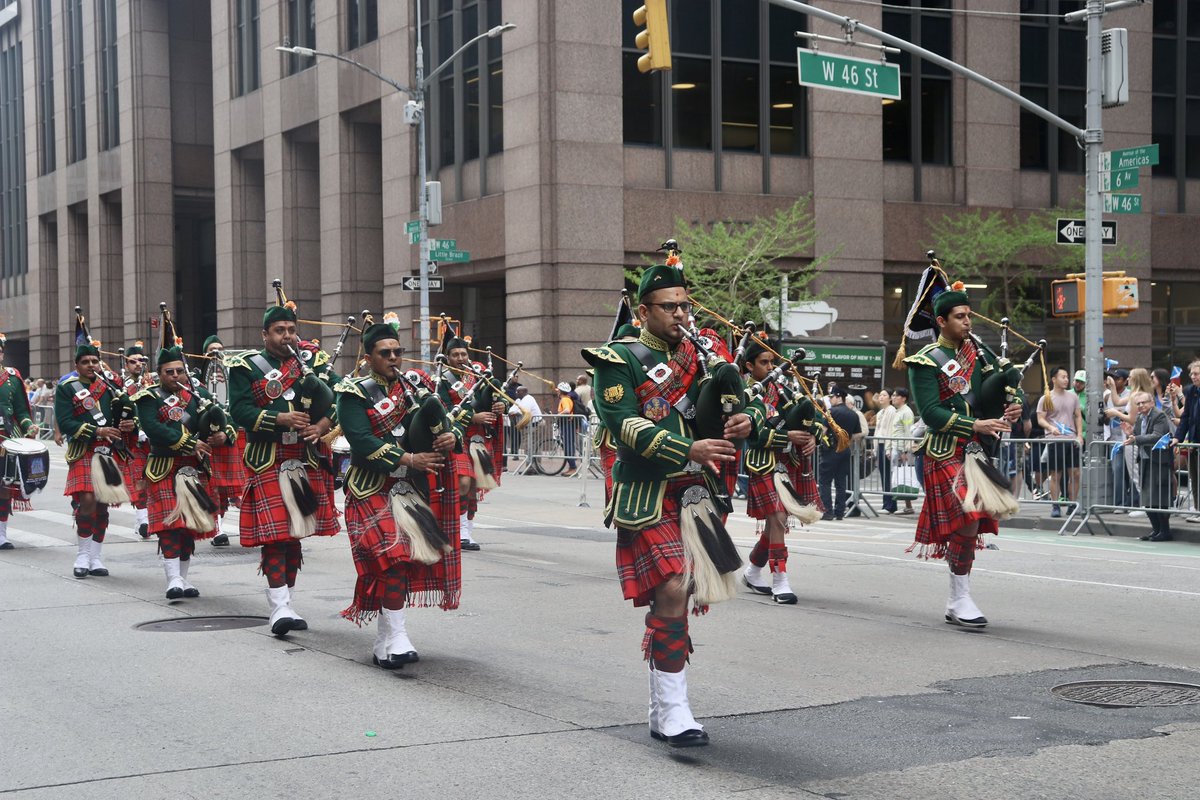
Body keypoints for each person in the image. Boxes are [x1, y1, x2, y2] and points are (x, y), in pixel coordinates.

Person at [583, 263, 754, 748]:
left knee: (680, 593)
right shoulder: (619, 358)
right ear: (642, 311)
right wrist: (687, 449)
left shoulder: (705, 353)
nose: (680, 314)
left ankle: (662, 709)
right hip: (649, 492)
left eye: (685, 305)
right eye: (669, 306)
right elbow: (624, 424)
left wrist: (746, 419)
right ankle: (676, 710)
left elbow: (746, 402)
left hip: (699, 494)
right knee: (674, 587)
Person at [335, 318, 461, 668]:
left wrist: (453, 437)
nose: (393, 358)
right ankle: (399, 637)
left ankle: (386, 641)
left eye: (397, 352)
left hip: (408, 489)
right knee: (395, 556)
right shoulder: (353, 393)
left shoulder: (416, 388)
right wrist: (408, 458)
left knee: (402, 565)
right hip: (370, 487)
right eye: (385, 353)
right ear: (368, 357)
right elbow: (361, 441)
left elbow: (444, 423)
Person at [902, 279, 1022, 628]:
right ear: (941, 321)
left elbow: (992, 394)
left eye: (969, 315)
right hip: (942, 451)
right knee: (968, 514)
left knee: (973, 521)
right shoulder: (924, 361)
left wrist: (1013, 404)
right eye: (959, 316)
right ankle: (960, 597)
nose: (968, 322)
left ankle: (958, 597)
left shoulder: (980, 355)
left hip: (974, 451)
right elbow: (931, 414)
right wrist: (975, 426)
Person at [226, 296, 341, 636]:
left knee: (294, 536)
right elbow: (240, 412)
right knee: (276, 536)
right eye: (279, 331)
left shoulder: (313, 362)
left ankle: (286, 600)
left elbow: (339, 399)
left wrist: (322, 427)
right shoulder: (245, 367)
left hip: (305, 459)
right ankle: (279, 606)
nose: (287, 336)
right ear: (265, 335)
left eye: (291, 330)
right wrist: (280, 418)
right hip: (268, 459)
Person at [133, 341, 231, 599]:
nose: (175, 375)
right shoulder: (148, 397)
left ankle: (183, 580)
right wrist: (189, 442)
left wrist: (222, 434)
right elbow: (154, 428)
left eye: (179, 371)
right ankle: (173, 578)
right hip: (164, 467)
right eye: (169, 371)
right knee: (171, 525)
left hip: (194, 468)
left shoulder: (198, 395)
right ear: (160, 373)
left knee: (188, 527)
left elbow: (224, 418)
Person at [738, 337, 817, 604]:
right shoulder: (744, 392)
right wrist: (787, 437)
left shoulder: (783, 386)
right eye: (764, 362)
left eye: (772, 361)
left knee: (776, 524)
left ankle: (752, 570)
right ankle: (780, 579)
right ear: (749, 366)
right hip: (762, 462)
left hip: (786, 463)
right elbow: (754, 436)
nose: (771, 366)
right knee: (778, 518)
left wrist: (812, 436)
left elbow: (809, 416)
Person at [56, 339, 137, 578]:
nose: (91, 365)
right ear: (77, 365)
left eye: (94, 361)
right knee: (88, 499)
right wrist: (97, 431)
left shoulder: (111, 385)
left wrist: (129, 424)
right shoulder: (67, 387)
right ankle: (82, 554)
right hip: (84, 449)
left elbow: (128, 414)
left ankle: (95, 556)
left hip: (109, 451)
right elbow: (67, 422)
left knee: (102, 504)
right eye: (85, 362)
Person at [436, 333, 494, 551]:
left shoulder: (478, 377)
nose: (460, 357)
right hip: (456, 436)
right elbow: (443, 408)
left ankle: (466, 532)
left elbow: (489, 400)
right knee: (463, 483)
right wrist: (472, 417)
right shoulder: (441, 380)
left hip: (477, 439)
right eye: (455, 354)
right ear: (447, 357)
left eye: (463, 354)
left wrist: (499, 407)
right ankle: (458, 530)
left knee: (472, 488)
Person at [202, 334, 244, 547]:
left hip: (228, 442)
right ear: (204, 355)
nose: (216, 353)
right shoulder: (198, 383)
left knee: (234, 490)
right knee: (214, 489)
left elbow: (239, 412)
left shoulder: (234, 382)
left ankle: (247, 527)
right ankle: (217, 529)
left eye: (220, 349)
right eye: (211, 351)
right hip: (208, 444)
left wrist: (226, 434)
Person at [0, 335, 40, 549]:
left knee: (4, 485)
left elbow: (21, 410)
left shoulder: (12, 377)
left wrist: (28, 426)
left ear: (2, 353)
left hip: (7, 437)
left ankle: (1, 534)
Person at [1124, 392, 1174, 542]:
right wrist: (1131, 433)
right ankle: (1156, 529)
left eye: (1143, 403)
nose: (1140, 406)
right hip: (1145, 460)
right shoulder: (1140, 417)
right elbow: (1139, 435)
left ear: (1152, 403)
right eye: (1138, 404)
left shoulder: (1159, 416)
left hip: (1159, 461)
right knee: (1147, 498)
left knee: (1159, 498)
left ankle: (1165, 531)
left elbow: (1157, 435)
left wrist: (1136, 438)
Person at [1038, 367, 1083, 518]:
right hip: (1055, 440)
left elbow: (1077, 416)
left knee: (1075, 473)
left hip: (1071, 440)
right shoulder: (1046, 398)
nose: (1066, 379)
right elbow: (1041, 419)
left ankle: (1072, 504)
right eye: (1062, 377)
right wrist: (1051, 428)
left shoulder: (1073, 397)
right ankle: (1055, 505)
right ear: (1054, 379)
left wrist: (1079, 435)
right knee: (1056, 474)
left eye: (1067, 377)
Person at [120, 342, 153, 538]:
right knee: (139, 479)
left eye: (141, 361)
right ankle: (143, 519)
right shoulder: (121, 386)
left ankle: (149, 517)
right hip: (133, 441)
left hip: (153, 439)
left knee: (153, 479)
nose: (138, 365)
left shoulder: (151, 383)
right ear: (126, 364)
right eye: (133, 362)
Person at [818, 386, 860, 520]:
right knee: (841, 482)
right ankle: (840, 512)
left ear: (838, 397)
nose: (831, 400)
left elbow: (823, 431)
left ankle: (827, 511)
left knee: (825, 481)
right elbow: (856, 434)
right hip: (845, 450)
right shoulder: (853, 413)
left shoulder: (831, 412)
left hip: (831, 450)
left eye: (832, 397)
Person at [1170, 360, 1200, 523]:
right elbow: (1186, 417)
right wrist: (1178, 437)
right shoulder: (1191, 392)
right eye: (1191, 374)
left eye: (1196, 373)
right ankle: (1197, 508)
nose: (1192, 376)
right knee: (1194, 477)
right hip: (1194, 442)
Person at [1103, 369, 1133, 509]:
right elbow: (1104, 416)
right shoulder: (1107, 396)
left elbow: (1125, 410)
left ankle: (1134, 501)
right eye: (1113, 378)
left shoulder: (1131, 395)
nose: (1115, 381)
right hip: (1114, 438)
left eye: (1118, 378)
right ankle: (1120, 503)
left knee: (1133, 471)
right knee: (1118, 469)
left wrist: (1117, 413)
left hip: (1128, 438)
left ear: (1126, 380)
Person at [890, 387, 916, 514]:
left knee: (904, 477)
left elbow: (908, 431)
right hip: (896, 447)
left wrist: (906, 451)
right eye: (893, 395)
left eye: (896, 395)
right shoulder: (897, 411)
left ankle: (909, 505)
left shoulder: (906, 412)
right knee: (898, 477)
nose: (893, 398)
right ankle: (906, 505)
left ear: (903, 398)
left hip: (902, 449)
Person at [873, 389, 897, 513]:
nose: (881, 397)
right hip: (880, 445)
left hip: (887, 445)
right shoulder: (881, 412)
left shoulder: (892, 411)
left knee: (888, 475)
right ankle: (886, 503)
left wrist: (888, 448)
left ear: (890, 398)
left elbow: (890, 431)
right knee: (883, 475)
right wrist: (875, 448)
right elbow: (878, 430)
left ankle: (890, 504)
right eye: (880, 395)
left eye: (884, 395)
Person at [507, 384, 542, 459]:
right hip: (528, 426)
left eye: (518, 392)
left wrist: (515, 412)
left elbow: (524, 410)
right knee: (528, 447)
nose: (516, 393)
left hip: (535, 425)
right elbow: (511, 409)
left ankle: (534, 467)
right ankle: (530, 467)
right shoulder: (519, 400)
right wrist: (513, 412)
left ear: (523, 392)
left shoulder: (528, 398)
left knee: (533, 447)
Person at [556, 381, 581, 477]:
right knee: (568, 445)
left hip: (567, 424)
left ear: (561, 391)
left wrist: (558, 415)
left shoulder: (565, 400)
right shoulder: (567, 399)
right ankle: (571, 467)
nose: (557, 392)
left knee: (568, 446)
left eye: (558, 390)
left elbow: (566, 410)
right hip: (567, 424)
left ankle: (573, 467)